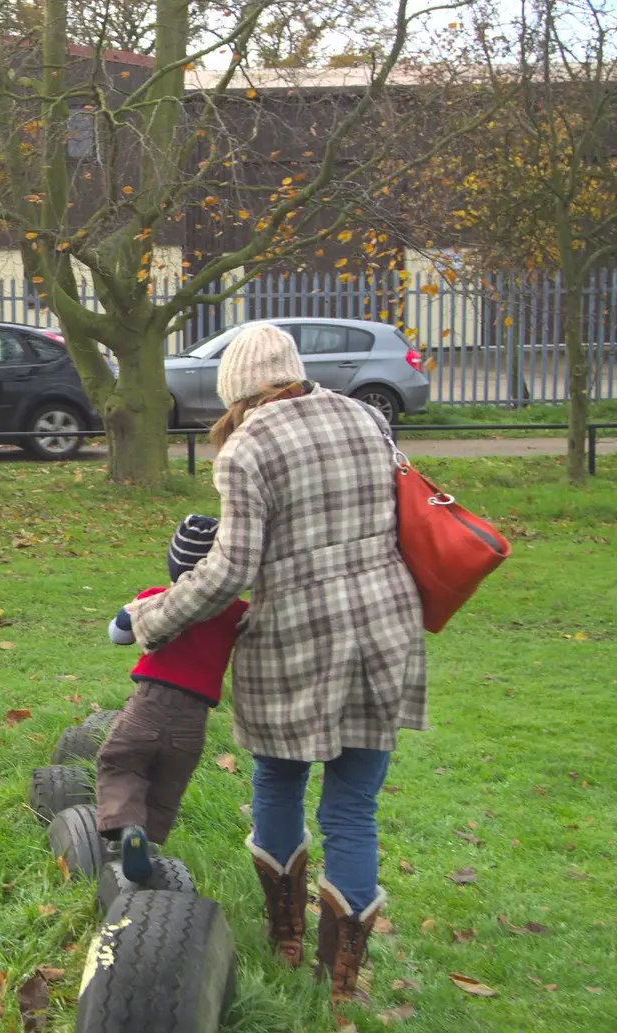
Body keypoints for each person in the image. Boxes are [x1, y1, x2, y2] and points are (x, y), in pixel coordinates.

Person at [122, 323, 425, 1008]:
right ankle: (339, 984)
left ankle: (286, 935)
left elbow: (231, 570)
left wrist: (151, 618)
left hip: (295, 639)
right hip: (385, 631)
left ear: (235, 390)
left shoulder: (248, 444)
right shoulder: (368, 417)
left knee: (280, 783)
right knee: (353, 808)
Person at [100, 515, 247, 883]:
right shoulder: (236, 612)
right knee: (167, 784)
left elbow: (118, 635)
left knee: (121, 762)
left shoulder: (155, 599)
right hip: (194, 721)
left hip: (149, 704)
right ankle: (147, 844)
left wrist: (130, 610)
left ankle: (127, 829)